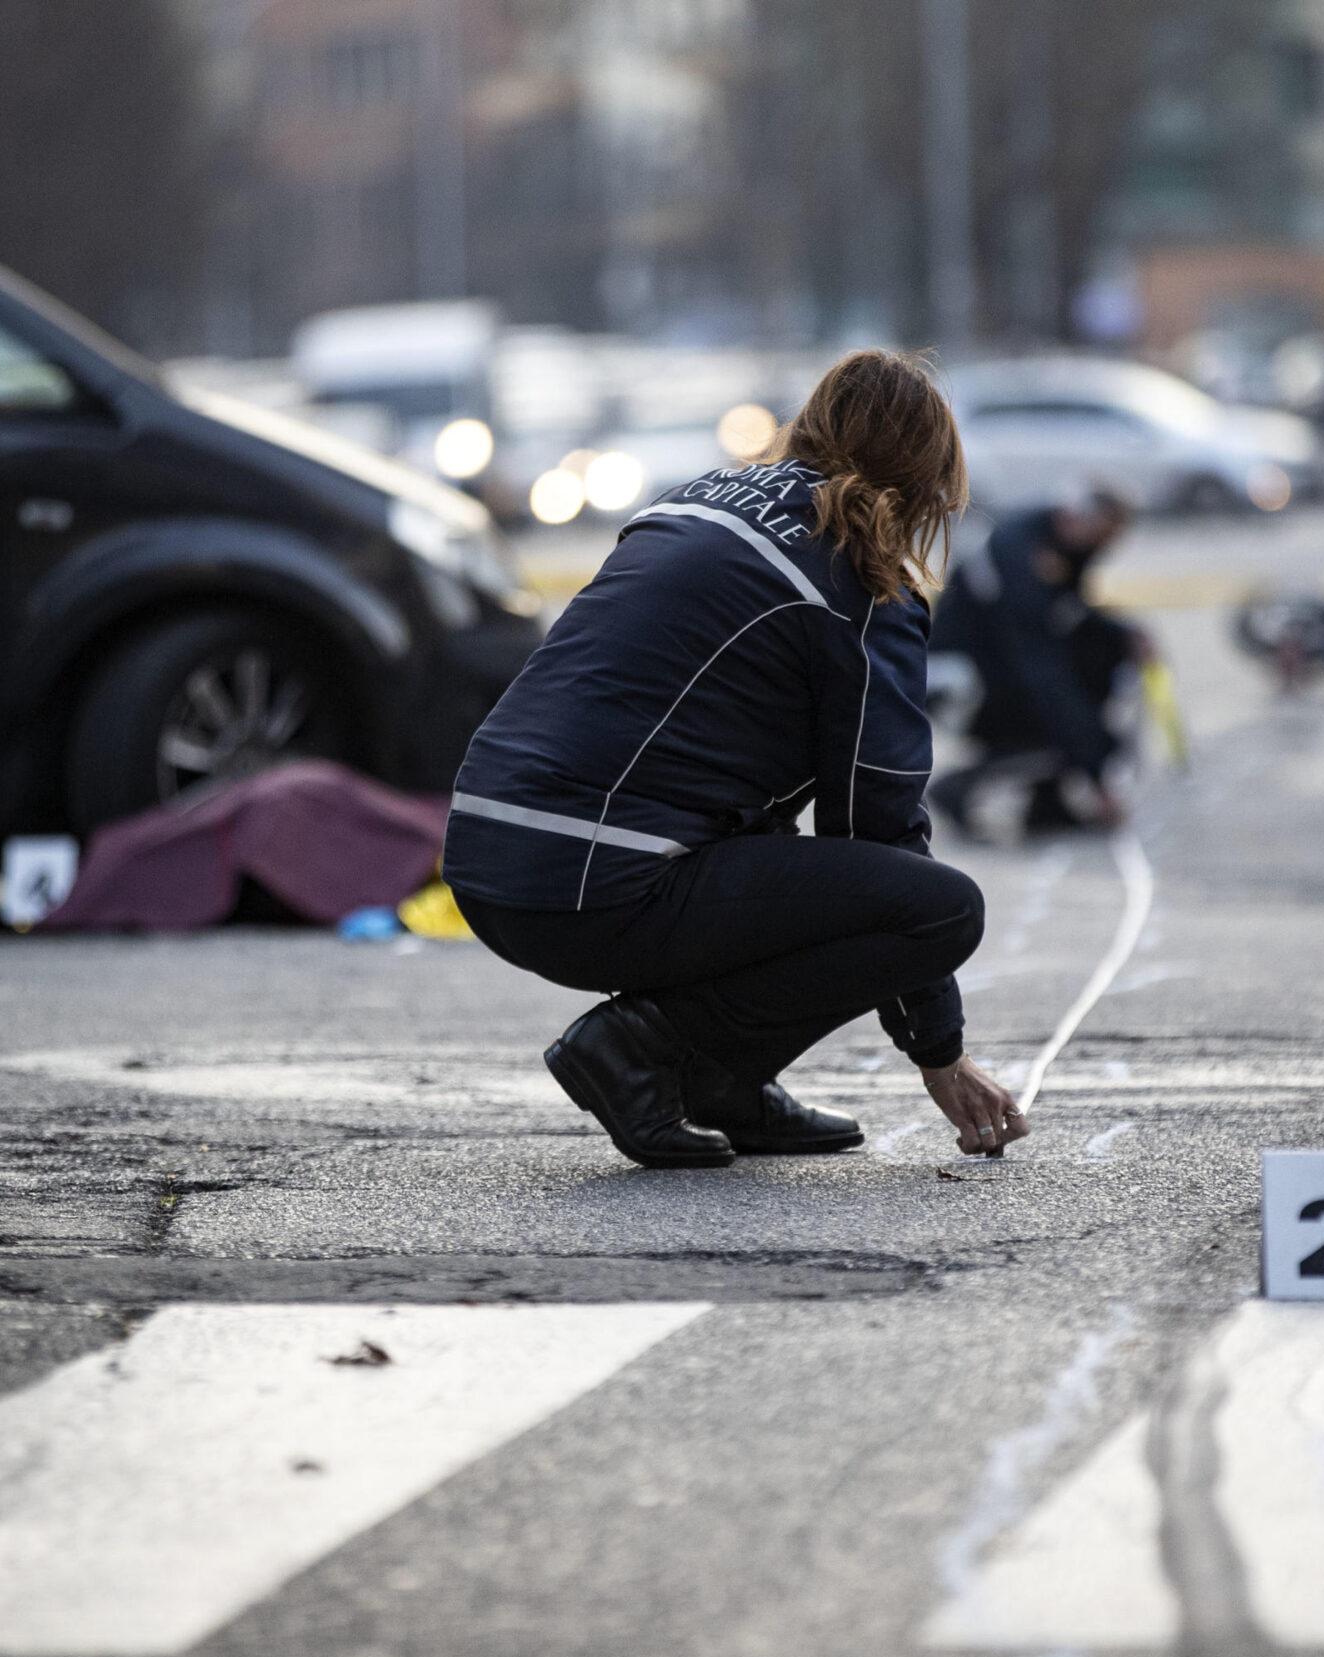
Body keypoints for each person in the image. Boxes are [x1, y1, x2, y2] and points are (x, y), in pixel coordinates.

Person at [442, 349, 1028, 1170]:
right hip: (590, 879)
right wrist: (940, 1053)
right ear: (927, 481)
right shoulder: (857, 581)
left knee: (777, 851)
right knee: (939, 909)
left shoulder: (693, 501)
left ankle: (722, 1082)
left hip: (485, 854)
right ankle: (638, 1049)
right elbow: (879, 830)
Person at [928, 485, 1146, 837]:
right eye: (1100, 537)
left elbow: (1069, 613)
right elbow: (1040, 663)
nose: (1101, 549)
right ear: (1074, 520)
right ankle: (957, 788)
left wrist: (1121, 634)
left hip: (992, 666)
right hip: (960, 682)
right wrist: (1094, 771)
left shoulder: (1055, 544)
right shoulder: (1021, 555)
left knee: (1091, 673)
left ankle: (1048, 805)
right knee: (1065, 716)